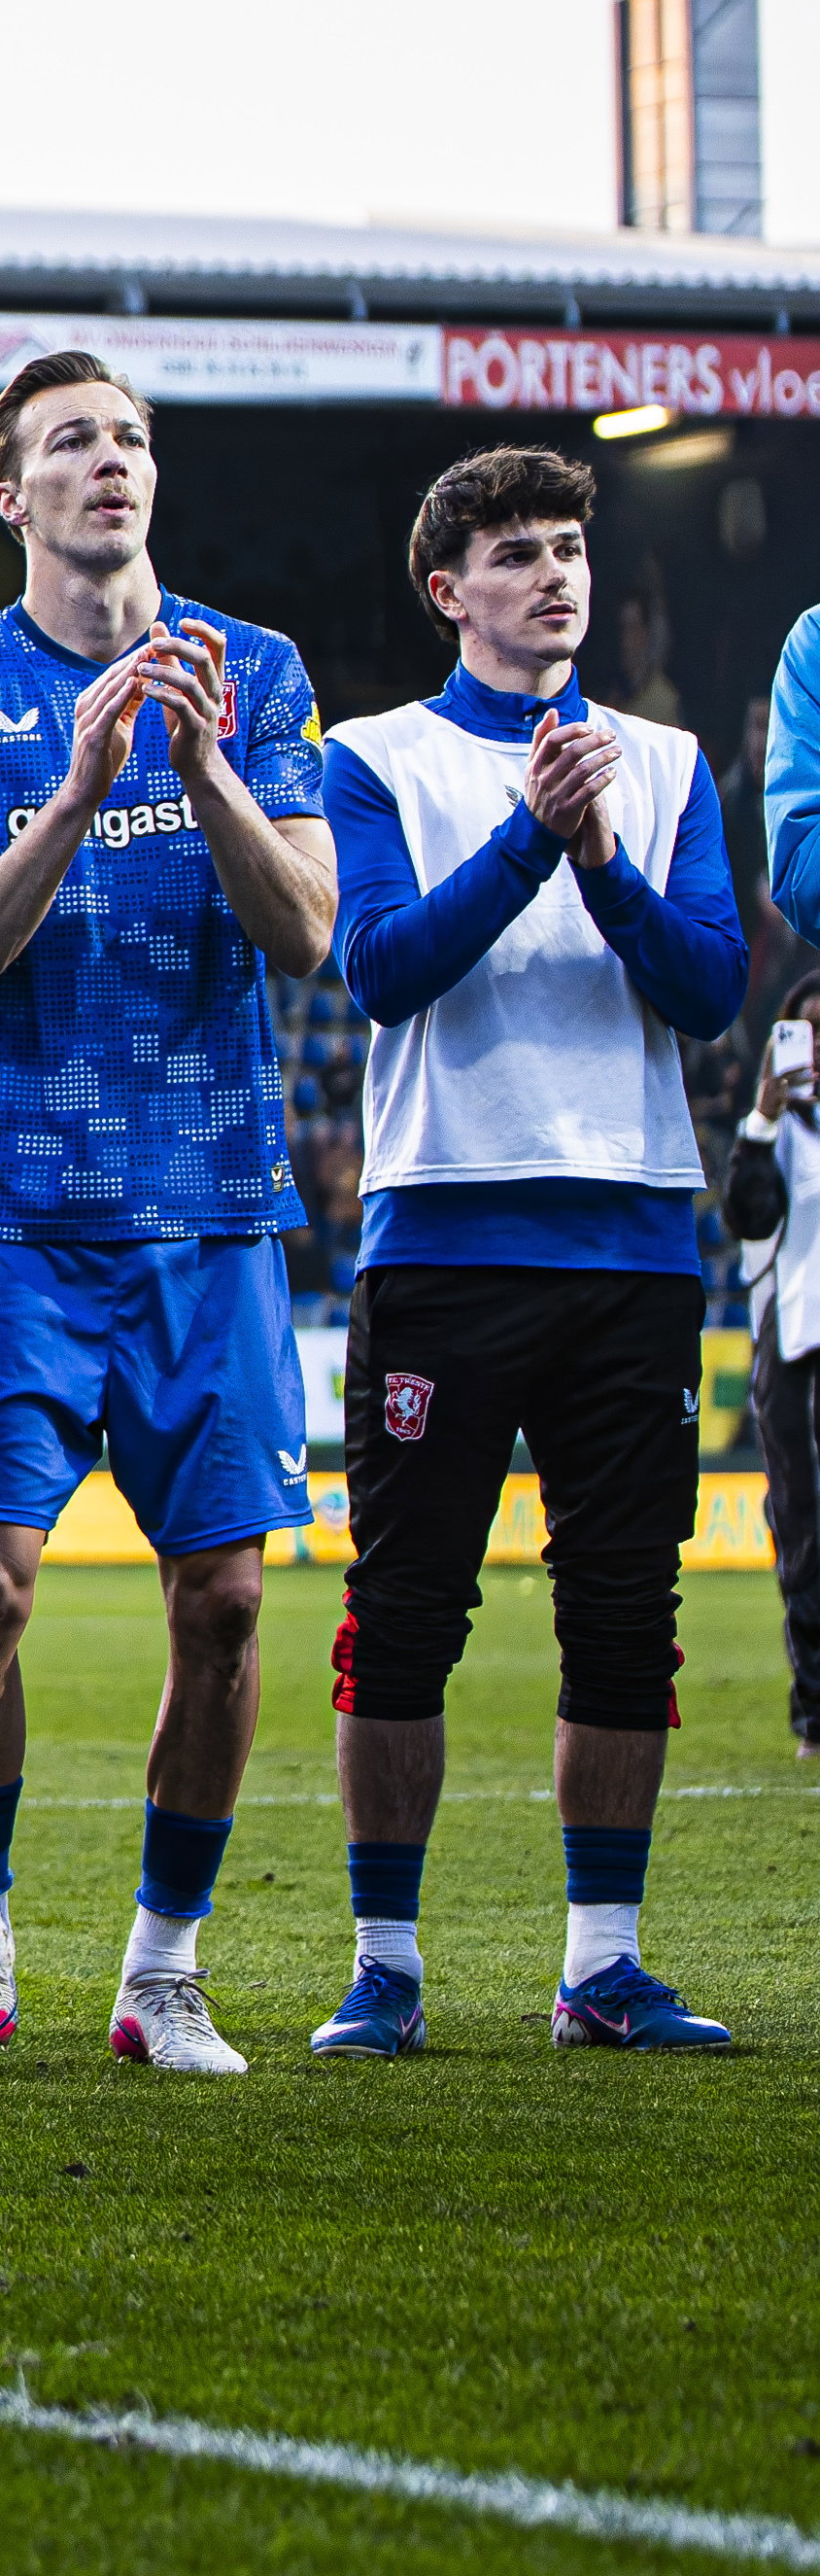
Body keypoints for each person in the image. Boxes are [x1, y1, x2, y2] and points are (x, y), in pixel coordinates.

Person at [0, 351, 334, 2081]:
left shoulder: (256, 669)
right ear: (11, 492)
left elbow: (302, 936)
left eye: (130, 438)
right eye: (70, 440)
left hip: (211, 1213)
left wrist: (200, 768)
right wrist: (74, 788)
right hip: (18, 1214)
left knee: (219, 1604)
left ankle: (163, 1969)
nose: (108, 461)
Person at [312, 447, 742, 2057]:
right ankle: (384, 1965)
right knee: (406, 1607)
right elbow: (378, 968)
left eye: (566, 546)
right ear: (448, 589)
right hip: (442, 1234)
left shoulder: (668, 759)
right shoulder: (371, 757)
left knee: (625, 1612)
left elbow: (706, 988)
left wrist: (602, 857)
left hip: (633, 1238)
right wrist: (523, 842)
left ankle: (601, 1964)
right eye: (514, 553)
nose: (552, 573)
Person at [733, 968, 820, 1762]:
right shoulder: (777, 1131)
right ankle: (816, 1713)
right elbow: (747, 1214)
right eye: (807, 1032)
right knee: (804, 1531)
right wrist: (762, 1118)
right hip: (796, 1347)